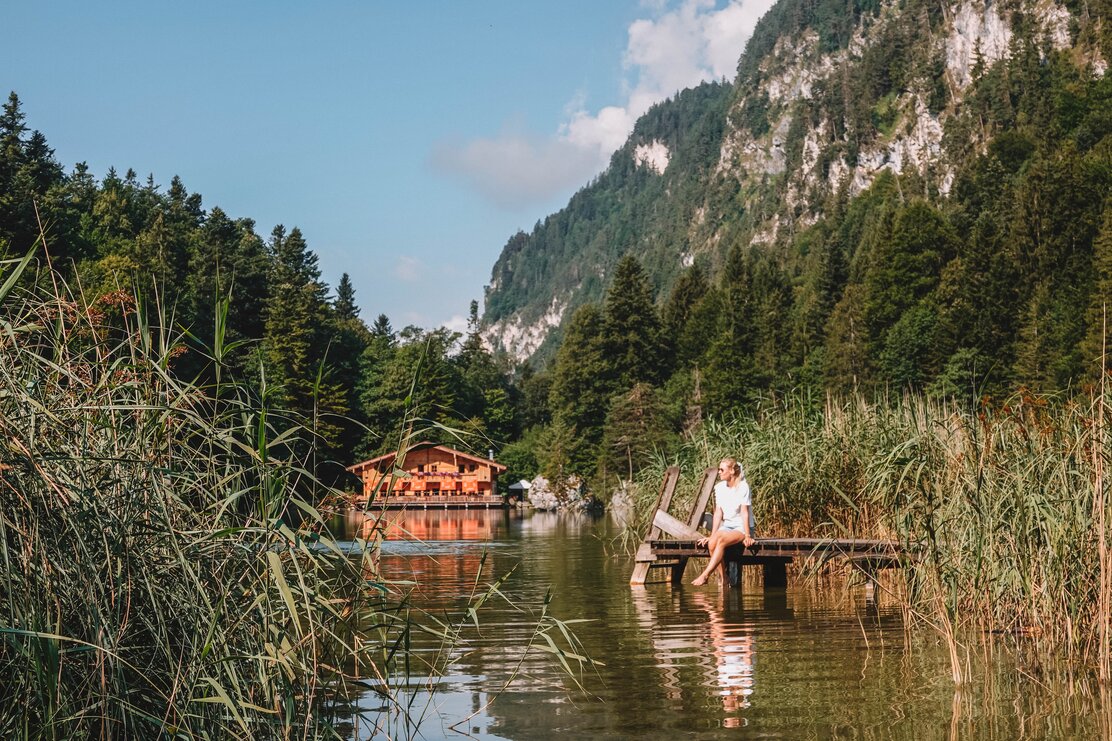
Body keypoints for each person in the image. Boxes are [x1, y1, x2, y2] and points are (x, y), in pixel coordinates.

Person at [692, 457, 756, 586]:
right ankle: (724, 578)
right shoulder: (719, 487)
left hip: (742, 528)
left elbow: (744, 512)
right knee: (712, 543)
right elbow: (718, 513)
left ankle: (705, 575)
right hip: (727, 526)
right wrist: (712, 535)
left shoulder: (743, 487)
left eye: (722, 469)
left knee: (720, 541)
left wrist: (748, 535)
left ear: (732, 471)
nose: (719, 472)